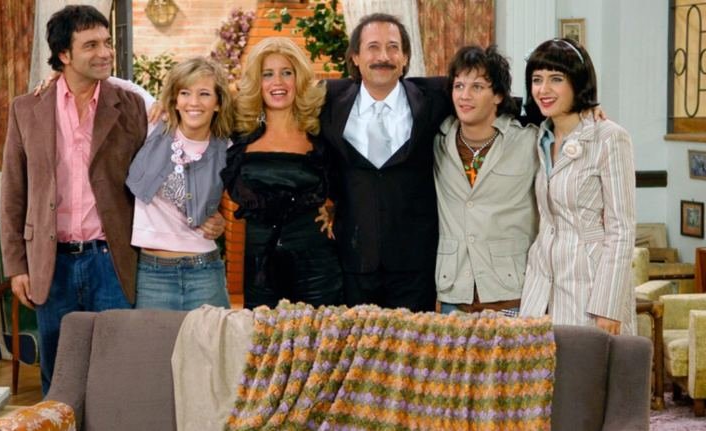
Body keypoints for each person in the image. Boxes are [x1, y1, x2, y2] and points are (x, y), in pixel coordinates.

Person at [0, 5, 147, 394]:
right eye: (91, 45)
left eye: (107, 43)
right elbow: (13, 191)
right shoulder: (26, 108)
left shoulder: (131, 105)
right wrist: (17, 266)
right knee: (60, 374)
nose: (105, 52)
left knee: (115, 371)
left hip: (111, 260)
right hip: (52, 263)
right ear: (64, 54)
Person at [318, 13, 451, 312]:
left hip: (415, 266)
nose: (383, 57)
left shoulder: (435, 97)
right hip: (353, 262)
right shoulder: (327, 100)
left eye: (393, 47)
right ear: (355, 57)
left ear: (405, 58)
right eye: (373, 47)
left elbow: (488, 93)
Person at [520, 38, 637, 335]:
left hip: (591, 290)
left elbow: (622, 230)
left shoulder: (609, 137)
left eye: (556, 79)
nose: (543, 89)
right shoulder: (540, 135)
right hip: (541, 290)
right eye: (537, 79)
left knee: (587, 366)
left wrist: (608, 306)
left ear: (578, 82)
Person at [220, 37, 343, 309]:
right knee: (262, 335)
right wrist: (161, 107)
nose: (278, 82)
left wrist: (336, 210)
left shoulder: (321, 132)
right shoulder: (239, 135)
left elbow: (351, 177)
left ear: (299, 79)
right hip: (260, 269)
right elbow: (193, 116)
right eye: (267, 74)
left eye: (287, 72)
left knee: (320, 336)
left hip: (317, 268)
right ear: (257, 82)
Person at [433, 45, 539, 316]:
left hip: (511, 294)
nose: (464, 96)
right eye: (458, 86)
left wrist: (590, 112)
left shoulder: (528, 141)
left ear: (499, 95)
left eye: (477, 87)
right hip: (454, 295)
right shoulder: (437, 141)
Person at [125, 57, 233, 310]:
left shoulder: (227, 149)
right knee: (153, 339)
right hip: (152, 275)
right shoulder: (154, 124)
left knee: (212, 338)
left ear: (218, 103)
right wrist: (59, 76)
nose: (193, 102)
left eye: (204, 94)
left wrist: (221, 220)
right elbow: (117, 83)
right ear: (174, 99)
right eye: (185, 93)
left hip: (205, 271)